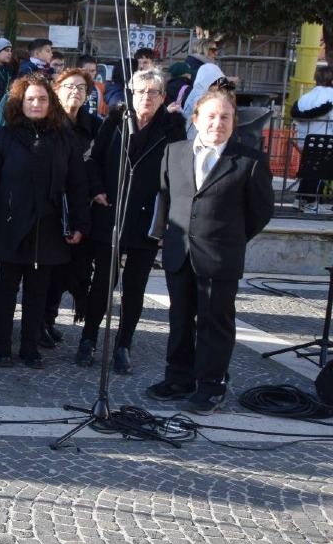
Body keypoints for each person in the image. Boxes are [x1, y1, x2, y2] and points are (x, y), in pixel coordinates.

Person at [147, 86, 273, 414]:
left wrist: (229, 239)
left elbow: (260, 212)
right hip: (179, 251)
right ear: (196, 119)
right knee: (179, 319)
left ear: (234, 122)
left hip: (220, 257)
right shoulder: (174, 152)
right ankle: (178, 377)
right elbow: (166, 195)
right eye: (212, 116)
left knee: (214, 324)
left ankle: (211, 385)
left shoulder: (250, 161)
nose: (218, 122)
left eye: (225, 117)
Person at [77, 67, 186, 371]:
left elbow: (179, 178)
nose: (146, 97)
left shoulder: (173, 127)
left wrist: (169, 223)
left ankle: (124, 345)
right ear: (131, 93)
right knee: (102, 283)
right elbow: (93, 160)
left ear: (163, 97)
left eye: (153, 92)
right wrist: (97, 189)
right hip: (110, 214)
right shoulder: (115, 120)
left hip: (147, 220)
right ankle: (88, 339)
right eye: (140, 91)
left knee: (134, 287)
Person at [0, 74, 89, 368]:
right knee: (7, 288)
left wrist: (79, 223)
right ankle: (3, 345)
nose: (36, 104)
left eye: (42, 98)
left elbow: (78, 183)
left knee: (39, 291)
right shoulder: (2, 137)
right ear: (19, 102)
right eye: (30, 99)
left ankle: (29, 345)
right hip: (11, 225)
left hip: (49, 227)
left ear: (50, 102)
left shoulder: (64, 138)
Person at [41, 68, 104, 350]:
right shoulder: (48, 123)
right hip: (52, 205)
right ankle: (43, 320)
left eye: (81, 87)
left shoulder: (96, 125)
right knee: (49, 269)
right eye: (69, 86)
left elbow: (99, 162)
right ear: (57, 90)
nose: (75, 92)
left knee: (73, 269)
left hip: (82, 206)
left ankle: (50, 319)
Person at [291, 63, 333, 210]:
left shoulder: (304, 98)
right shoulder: (331, 97)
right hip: (326, 143)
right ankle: (312, 202)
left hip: (306, 143)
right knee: (323, 170)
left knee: (309, 170)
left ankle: (301, 199)